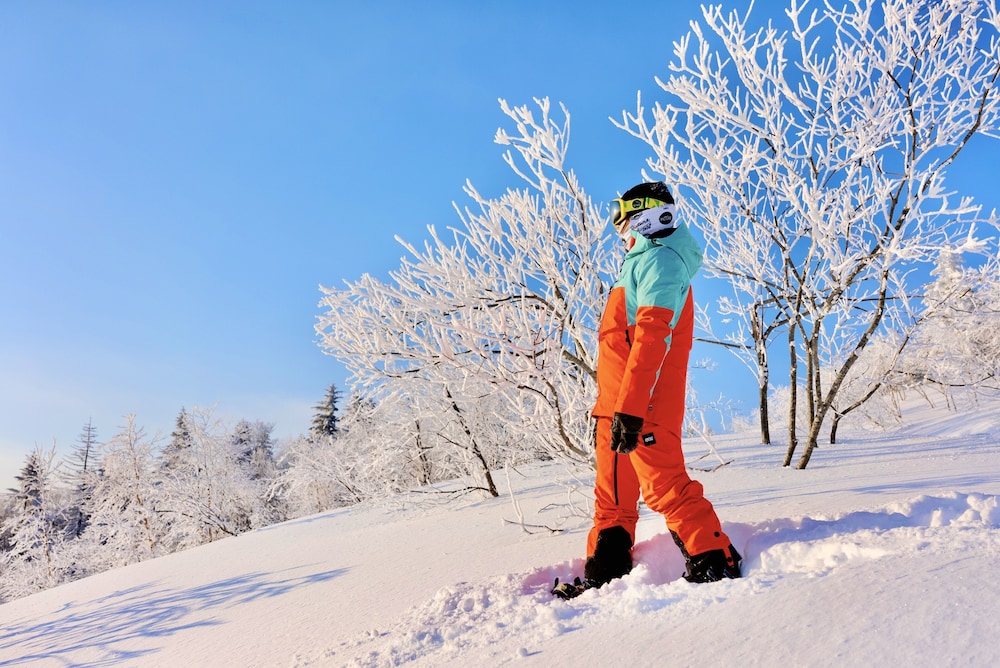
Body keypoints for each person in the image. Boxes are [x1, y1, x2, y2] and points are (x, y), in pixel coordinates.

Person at [559, 181, 741, 597]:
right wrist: (608, 409)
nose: (618, 230)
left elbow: (652, 336)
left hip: (644, 401)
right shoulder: (637, 263)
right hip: (617, 404)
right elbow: (618, 345)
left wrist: (632, 407)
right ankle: (606, 571)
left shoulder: (663, 260)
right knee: (613, 498)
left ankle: (714, 560)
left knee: (665, 487)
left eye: (621, 218)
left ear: (643, 215)